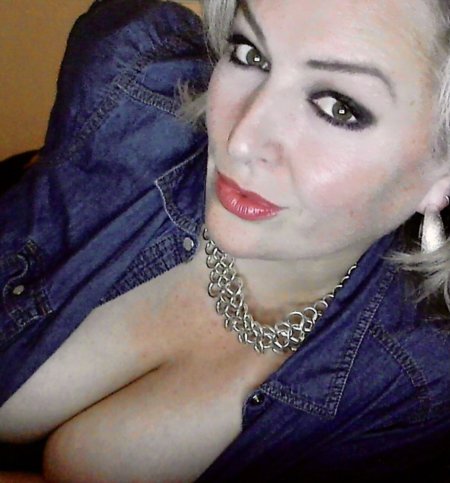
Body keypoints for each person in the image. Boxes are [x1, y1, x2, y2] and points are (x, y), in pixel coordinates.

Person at [0, 0, 449, 480]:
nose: (240, 141)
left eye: (338, 107)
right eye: (250, 54)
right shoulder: (133, 81)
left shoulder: (413, 388)